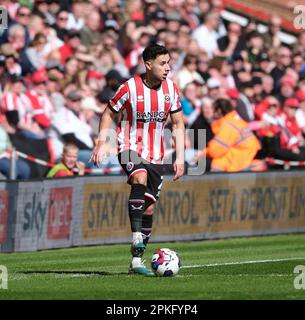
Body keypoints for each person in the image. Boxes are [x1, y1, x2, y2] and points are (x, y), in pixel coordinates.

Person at [90, 44, 185, 276]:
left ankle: (135, 263)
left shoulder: (171, 90)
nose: (168, 68)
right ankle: (136, 238)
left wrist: (180, 157)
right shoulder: (129, 87)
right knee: (138, 177)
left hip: (156, 154)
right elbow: (108, 113)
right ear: (148, 64)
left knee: (149, 208)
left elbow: (179, 124)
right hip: (129, 145)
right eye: (163, 63)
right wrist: (101, 142)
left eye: (169, 62)